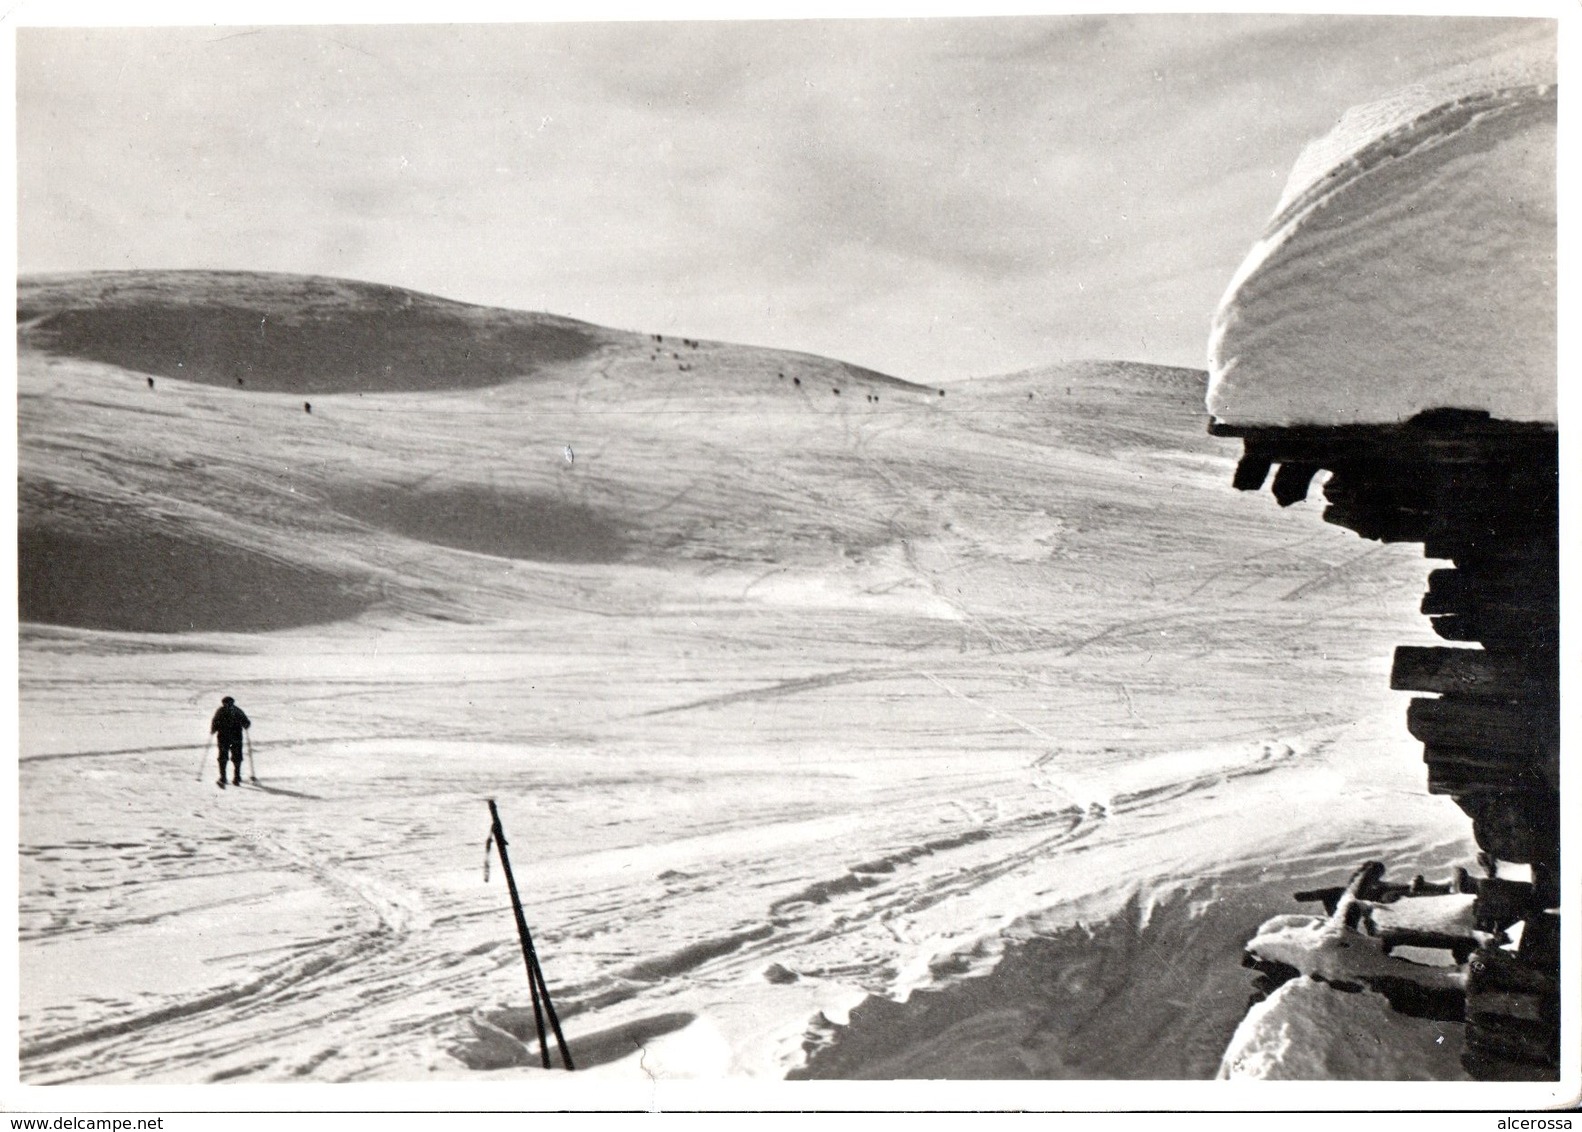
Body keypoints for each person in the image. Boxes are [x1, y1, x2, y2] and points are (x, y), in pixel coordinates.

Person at [211, 696, 251, 788]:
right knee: (236, 757)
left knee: (223, 757)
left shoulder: (221, 711)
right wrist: (245, 725)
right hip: (235, 737)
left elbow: (215, 722)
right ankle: (236, 778)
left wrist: (213, 729)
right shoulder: (237, 710)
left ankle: (223, 777)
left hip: (224, 738)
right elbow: (246, 723)